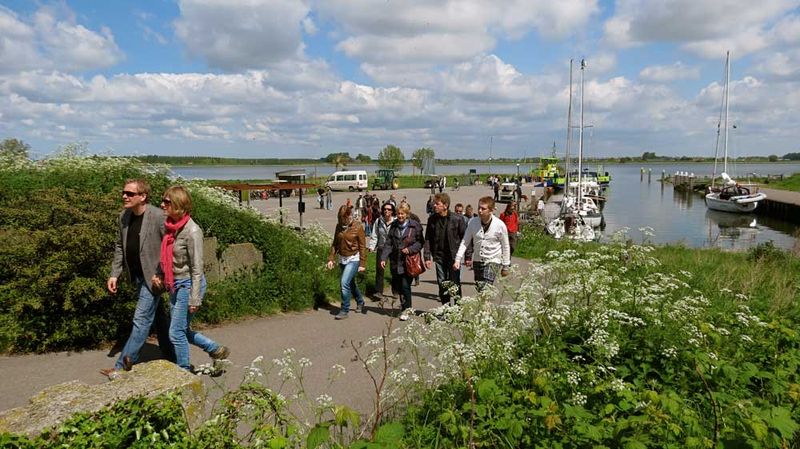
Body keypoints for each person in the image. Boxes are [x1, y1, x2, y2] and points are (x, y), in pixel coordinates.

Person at [101, 179, 175, 380]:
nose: (124, 196)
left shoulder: (159, 217)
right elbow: (119, 247)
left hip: (153, 278)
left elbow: (170, 247)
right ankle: (172, 356)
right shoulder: (124, 217)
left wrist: (162, 273)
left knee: (141, 319)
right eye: (123, 193)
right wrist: (114, 273)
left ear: (142, 197)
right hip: (136, 276)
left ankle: (121, 367)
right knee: (159, 318)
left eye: (130, 194)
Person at [151, 186, 230, 372]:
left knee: (175, 332)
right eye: (162, 200)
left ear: (178, 205)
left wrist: (195, 298)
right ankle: (215, 349)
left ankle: (184, 370)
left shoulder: (192, 231)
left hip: (188, 285)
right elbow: (166, 256)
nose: (162, 204)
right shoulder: (169, 226)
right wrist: (159, 273)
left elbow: (197, 268)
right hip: (174, 284)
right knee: (181, 330)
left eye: (167, 202)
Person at [454, 196, 511, 293]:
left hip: (493, 260)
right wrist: (458, 259)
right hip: (477, 260)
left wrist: (506, 265)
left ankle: (484, 306)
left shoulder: (500, 225)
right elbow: (465, 241)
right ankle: (485, 307)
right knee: (480, 289)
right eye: (479, 208)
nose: (480, 211)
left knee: (486, 289)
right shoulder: (473, 223)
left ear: (491, 210)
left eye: (483, 209)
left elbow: (505, 245)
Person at [380, 204, 424, 321]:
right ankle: (404, 306)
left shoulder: (415, 227)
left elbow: (420, 243)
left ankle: (407, 309)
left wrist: (410, 249)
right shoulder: (394, 226)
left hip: (408, 262)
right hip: (396, 261)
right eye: (398, 214)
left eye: (402, 214)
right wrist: (383, 258)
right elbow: (388, 243)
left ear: (407, 214)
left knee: (405, 286)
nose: (400, 216)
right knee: (399, 286)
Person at [424, 193, 466, 305]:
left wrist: (467, 256)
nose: (434, 206)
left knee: (455, 283)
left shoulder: (458, 219)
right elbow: (427, 238)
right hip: (439, 257)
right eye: (434, 203)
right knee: (442, 283)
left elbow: (465, 239)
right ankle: (446, 308)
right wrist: (427, 257)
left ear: (445, 205)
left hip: (454, 257)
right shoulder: (432, 220)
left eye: (437, 204)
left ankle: (458, 308)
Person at [327, 204, 367, 320]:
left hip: (354, 258)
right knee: (350, 283)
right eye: (342, 220)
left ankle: (344, 309)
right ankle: (360, 301)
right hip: (342, 258)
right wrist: (331, 258)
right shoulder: (338, 226)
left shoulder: (358, 227)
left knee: (344, 282)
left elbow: (362, 247)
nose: (345, 222)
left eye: (347, 219)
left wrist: (362, 264)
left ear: (350, 215)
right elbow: (335, 244)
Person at [368, 202, 395, 299]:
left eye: (389, 209)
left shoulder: (395, 221)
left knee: (394, 270)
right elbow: (374, 235)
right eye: (385, 209)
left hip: (393, 249)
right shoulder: (379, 221)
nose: (387, 211)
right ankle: (378, 291)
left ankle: (396, 290)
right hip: (381, 248)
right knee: (380, 269)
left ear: (392, 211)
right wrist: (371, 246)